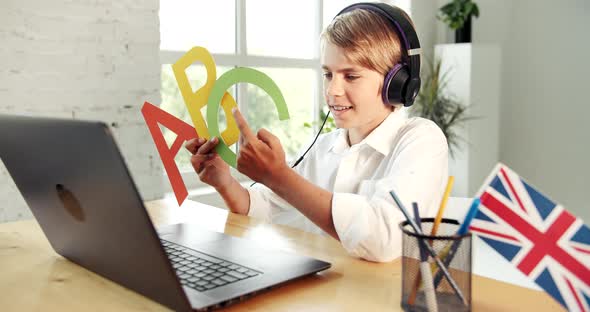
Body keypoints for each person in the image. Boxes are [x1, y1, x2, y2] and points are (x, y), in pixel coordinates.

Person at [184, 3, 448, 262]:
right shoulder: (324, 147)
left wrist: (278, 176)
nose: (333, 90)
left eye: (351, 76)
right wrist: (224, 182)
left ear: (398, 83)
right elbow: (264, 209)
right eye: (328, 74)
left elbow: (383, 238)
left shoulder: (421, 140)